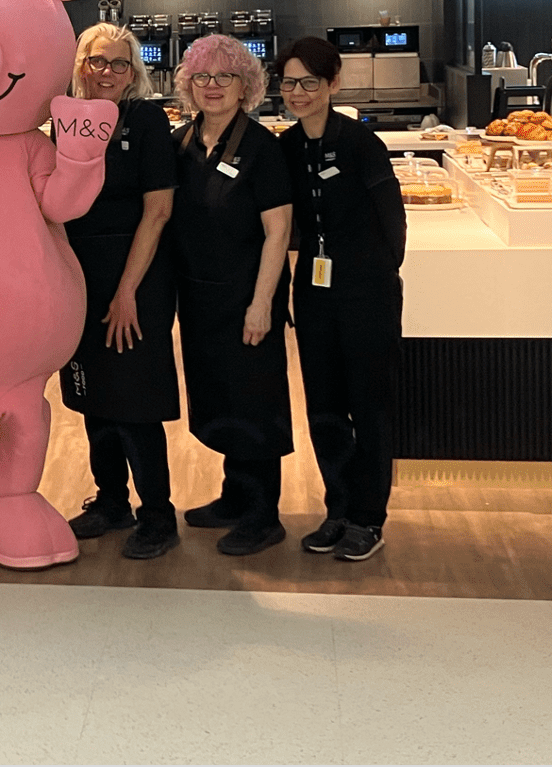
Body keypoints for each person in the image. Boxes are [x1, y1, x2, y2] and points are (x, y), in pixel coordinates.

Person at [276, 36, 407, 562]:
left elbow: (392, 222)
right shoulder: (285, 148)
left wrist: (378, 278)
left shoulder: (359, 143)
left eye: (310, 81)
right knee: (324, 406)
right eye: (289, 82)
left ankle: (369, 517)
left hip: (367, 293)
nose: (298, 92)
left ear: (333, 84)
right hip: (313, 291)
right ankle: (338, 508)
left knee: (369, 406)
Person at [58, 24, 181, 559]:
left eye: (119, 64)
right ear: (80, 65)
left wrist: (127, 291)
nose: (106, 72)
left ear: (134, 73)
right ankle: (111, 502)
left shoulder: (147, 120)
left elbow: (158, 211)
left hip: (135, 279)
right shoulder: (65, 122)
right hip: (79, 279)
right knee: (92, 399)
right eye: (97, 61)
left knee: (135, 400)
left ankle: (158, 514)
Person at [170, 34, 294, 556]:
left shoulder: (263, 147)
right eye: (202, 77)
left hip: (247, 299)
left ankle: (264, 514)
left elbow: (278, 231)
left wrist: (262, 303)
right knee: (218, 397)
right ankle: (233, 496)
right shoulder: (184, 143)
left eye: (225, 77)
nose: (213, 86)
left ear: (246, 86)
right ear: (187, 86)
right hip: (200, 301)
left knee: (254, 402)